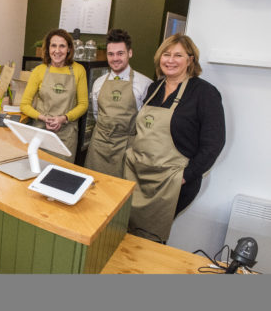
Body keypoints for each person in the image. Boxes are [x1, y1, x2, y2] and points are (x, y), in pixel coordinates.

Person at [123, 34, 226, 243]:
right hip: (138, 175)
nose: (170, 60)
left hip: (171, 181)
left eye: (178, 55)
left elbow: (214, 143)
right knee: (126, 230)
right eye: (166, 54)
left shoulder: (204, 93)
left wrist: (186, 176)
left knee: (149, 237)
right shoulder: (154, 88)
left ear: (190, 60)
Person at [84, 29, 152, 177]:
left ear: (130, 53)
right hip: (99, 146)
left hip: (126, 146)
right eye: (111, 54)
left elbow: (145, 122)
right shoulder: (98, 83)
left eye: (120, 53)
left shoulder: (145, 84)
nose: (115, 58)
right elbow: (97, 114)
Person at [20, 29, 88, 162]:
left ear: (69, 49)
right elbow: (24, 105)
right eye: (53, 45)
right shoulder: (39, 71)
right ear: (48, 48)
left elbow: (83, 104)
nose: (57, 50)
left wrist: (63, 118)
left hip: (66, 135)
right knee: (37, 170)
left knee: (61, 175)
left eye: (62, 46)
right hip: (41, 132)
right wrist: (44, 118)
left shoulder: (79, 70)